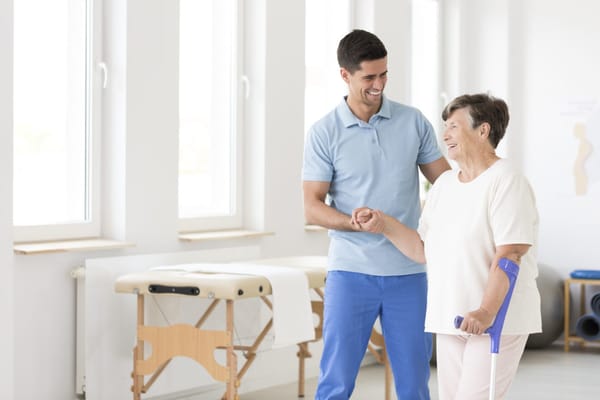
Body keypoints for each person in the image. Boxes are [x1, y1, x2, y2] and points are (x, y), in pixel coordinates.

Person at [353, 93, 542, 400]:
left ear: (483, 130)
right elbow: (422, 249)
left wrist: (485, 311)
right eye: (445, 126)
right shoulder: (445, 185)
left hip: (494, 319)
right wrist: (382, 223)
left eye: (454, 126)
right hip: (451, 315)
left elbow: (512, 253)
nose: (445, 135)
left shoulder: (506, 180)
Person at [302, 29, 450, 400]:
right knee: (335, 382)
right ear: (345, 75)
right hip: (350, 271)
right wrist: (350, 221)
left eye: (384, 74)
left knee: (415, 383)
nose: (379, 84)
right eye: (369, 77)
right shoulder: (324, 132)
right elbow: (313, 206)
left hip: (409, 272)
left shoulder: (413, 121)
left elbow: (447, 187)